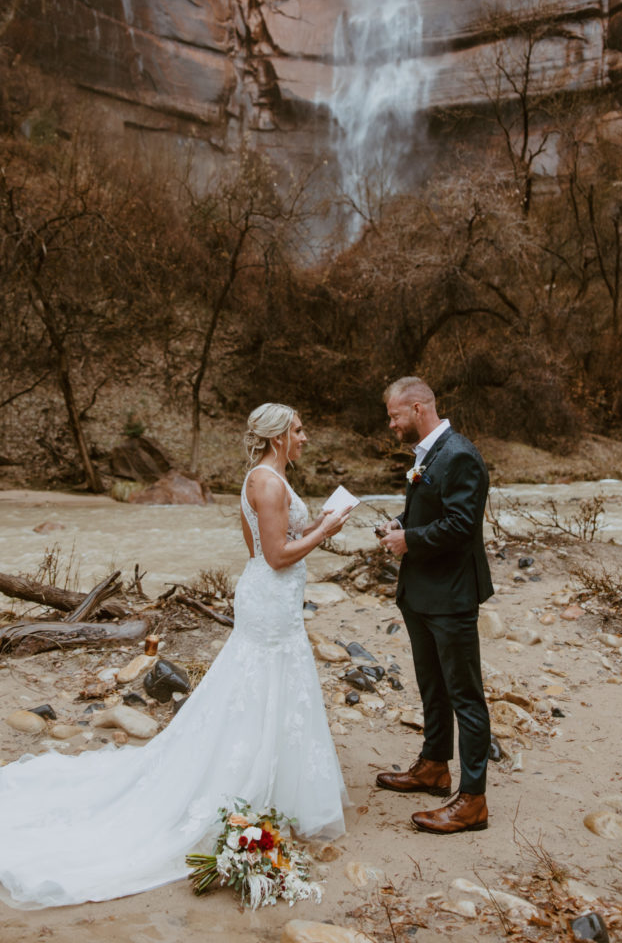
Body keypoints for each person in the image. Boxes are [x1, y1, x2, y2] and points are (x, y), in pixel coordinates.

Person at [0, 403, 350, 909]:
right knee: (263, 683)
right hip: (271, 599)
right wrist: (325, 531)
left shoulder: (263, 478)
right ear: (277, 437)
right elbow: (273, 556)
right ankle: (243, 785)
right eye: (298, 430)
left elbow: (261, 546)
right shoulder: (269, 483)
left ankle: (269, 782)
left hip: (270, 597)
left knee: (266, 686)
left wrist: (311, 525)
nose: (305, 437)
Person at [376, 377, 493, 834]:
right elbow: (435, 510)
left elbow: (463, 526)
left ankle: (474, 799)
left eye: (394, 415)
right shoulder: (430, 454)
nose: (391, 424)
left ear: (420, 408)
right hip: (422, 593)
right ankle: (433, 766)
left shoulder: (460, 454)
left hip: (451, 595)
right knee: (432, 686)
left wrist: (409, 539)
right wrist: (402, 522)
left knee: (465, 695)